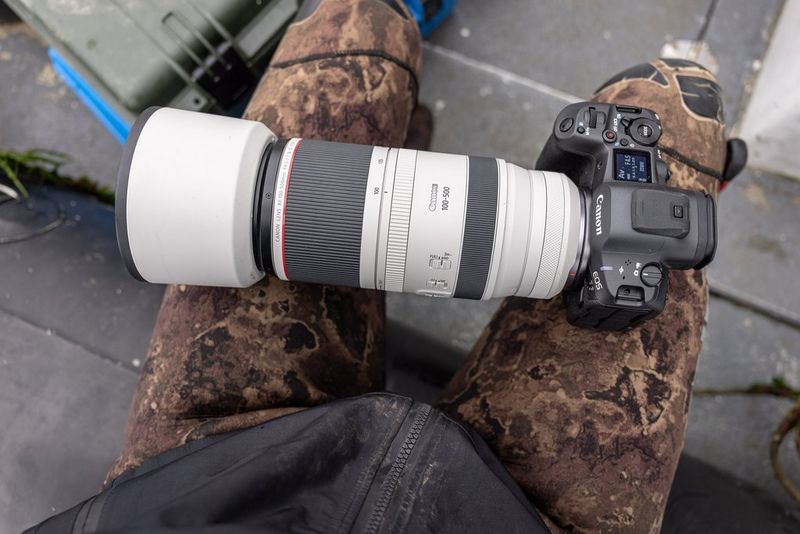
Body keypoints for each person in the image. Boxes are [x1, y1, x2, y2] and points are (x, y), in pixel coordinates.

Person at [28, 1, 728, 533]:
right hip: (520, 514)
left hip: (199, 484)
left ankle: (405, 131)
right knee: (675, 102)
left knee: (356, 14)